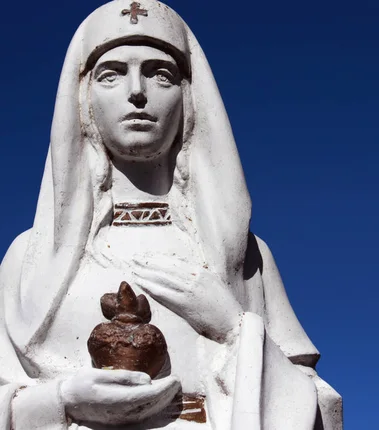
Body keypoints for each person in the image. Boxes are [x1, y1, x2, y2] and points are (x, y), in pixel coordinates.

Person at [0, 1, 342, 429]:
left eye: (160, 74)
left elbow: (319, 402)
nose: (137, 91)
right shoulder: (28, 259)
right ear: (83, 97)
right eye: (112, 74)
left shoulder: (245, 256)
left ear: (188, 97)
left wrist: (233, 327)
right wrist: (62, 399)